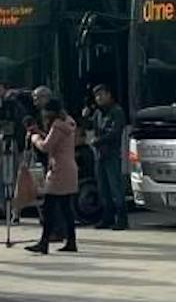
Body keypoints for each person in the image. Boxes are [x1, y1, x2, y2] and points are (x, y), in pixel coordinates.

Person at [26, 98, 79, 255]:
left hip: (59, 170)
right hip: (70, 168)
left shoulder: (56, 125)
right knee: (66, 208)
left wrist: (35, 139)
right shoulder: (69, 122)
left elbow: (46, 146)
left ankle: (44, 243)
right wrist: (42, 133)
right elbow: (56, 141)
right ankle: (71, 241)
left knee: (48, 207)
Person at [87, 84, 129, 230]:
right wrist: (85, 116)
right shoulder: (98, 113)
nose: (99, 98)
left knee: (115, 187)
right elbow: (91, 127)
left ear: (109, 95)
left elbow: (115, 132)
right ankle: (107, 217)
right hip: (100, 155)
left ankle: (122, 218)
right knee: (103, 188)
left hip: (111, 154)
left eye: (101, 95)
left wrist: (98, 140)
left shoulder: (117, 111)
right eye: (96, 96)